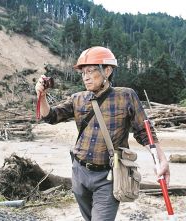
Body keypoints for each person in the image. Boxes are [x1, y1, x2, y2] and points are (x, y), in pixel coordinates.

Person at [35, 46, 170, 221]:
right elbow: (51, 116)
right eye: (83, 72)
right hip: (79, 172)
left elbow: (145, 132)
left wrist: (162, 160)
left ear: (107, 70)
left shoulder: (126, 96)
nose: (86, 76)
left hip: (109, 176)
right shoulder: (78, 98)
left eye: (91, 71)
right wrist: (42, 96)